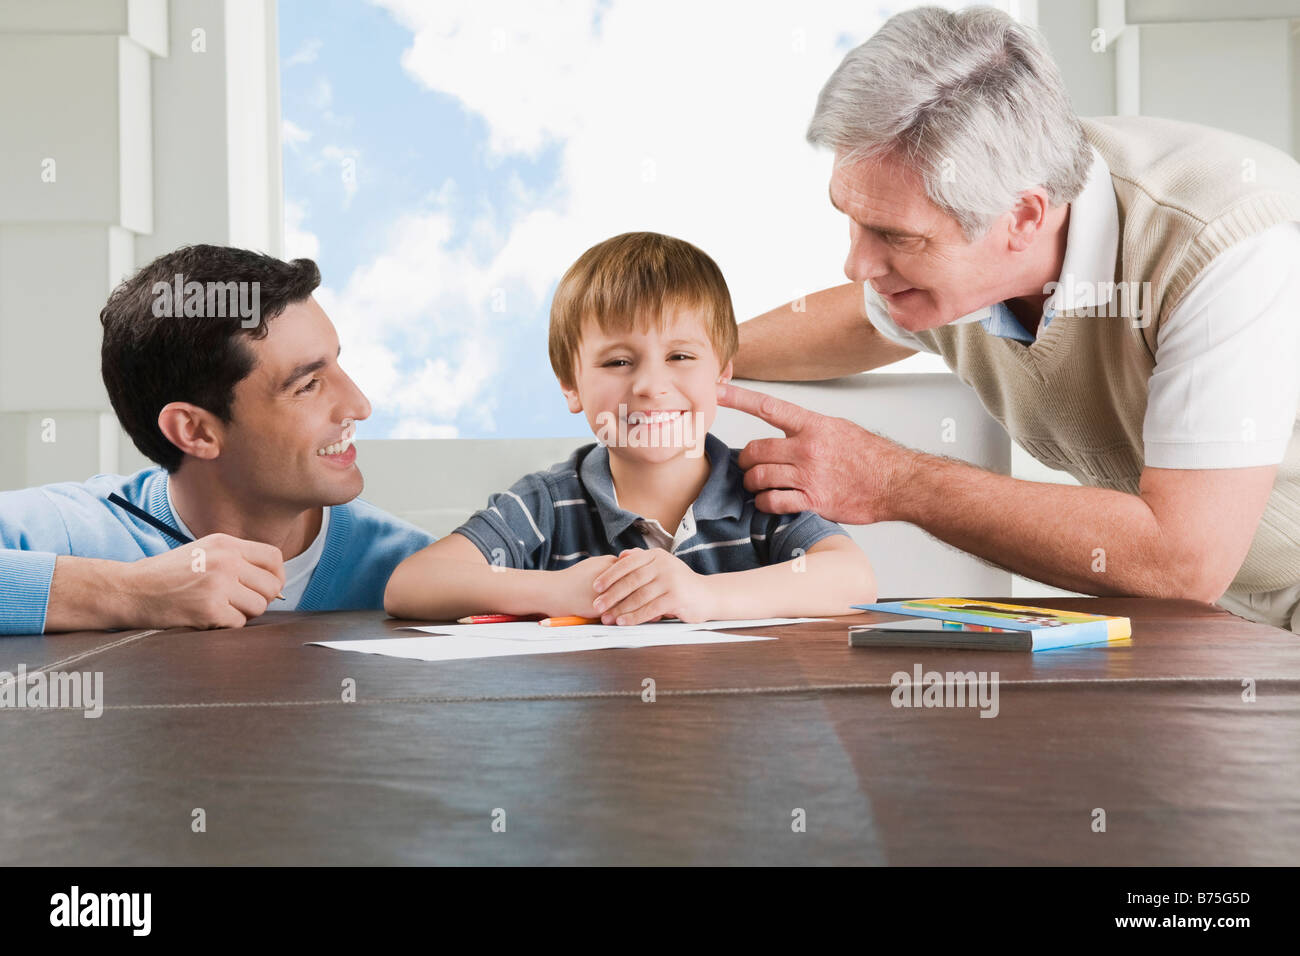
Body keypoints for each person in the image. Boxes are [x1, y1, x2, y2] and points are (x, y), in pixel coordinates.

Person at [724, 6, 1300, 632]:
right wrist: (674, 356)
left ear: (1024, 218)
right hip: (1206, 616)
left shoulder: (1227, 247)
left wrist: (889, 479)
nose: (856, 265)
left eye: (894, 236)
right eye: (853, 219)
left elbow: (1182, 561)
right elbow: (865, 322)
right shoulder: (974, 223)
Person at [385, 231, 875, 625]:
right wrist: (558, 591)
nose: (650, 386)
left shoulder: (759, 490)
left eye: (680, 356)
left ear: (721, 371)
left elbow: (853, 579)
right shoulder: (548, 503)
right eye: (618, 361)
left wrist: (701, 595)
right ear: (571, 386)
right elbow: (411, 584)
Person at [0, 245, 433, 635]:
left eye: (338, 365)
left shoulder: (411, 570)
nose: (359, 405)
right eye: (308, 385)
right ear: (196, 431)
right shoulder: (75, 531)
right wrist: (130, 594)